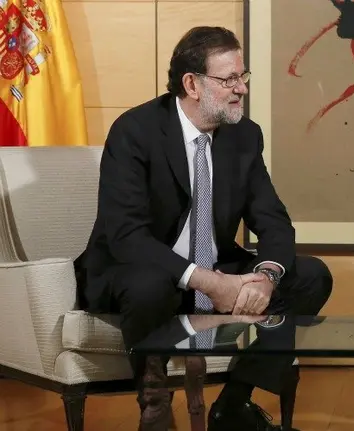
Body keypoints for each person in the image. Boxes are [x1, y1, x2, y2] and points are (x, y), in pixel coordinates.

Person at [73, 26, 333, 431]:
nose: (241, 88)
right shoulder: (135, 131)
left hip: (213, 266)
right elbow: (126, 235)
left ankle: (234, 402)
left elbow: (273, 222)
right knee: (150, 283)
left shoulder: (244, 136)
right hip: (140, 271)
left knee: (312, 276)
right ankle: (154, 405)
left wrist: (265, 276)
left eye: (242, 76)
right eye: (229, 79)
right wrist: (209, 282)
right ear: (192, 84)